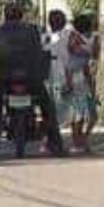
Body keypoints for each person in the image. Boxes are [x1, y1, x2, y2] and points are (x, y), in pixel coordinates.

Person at [0, 2, 65, 155]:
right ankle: (56, 141)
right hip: (31, 78)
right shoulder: (32, 30)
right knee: (47, 107)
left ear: (5, 16)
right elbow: (42, 50)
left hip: (4, 78)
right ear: (21, 16)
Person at [65, 14, 100, 152]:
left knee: (91, 114)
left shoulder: (91, 38)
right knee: (79, 113)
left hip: (86, 77)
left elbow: (94, 55)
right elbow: (76, 51)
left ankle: (82, 140)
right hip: (77, 76)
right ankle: (78, 142)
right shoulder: (74, 37)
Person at [44, 9, 71, 137]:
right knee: (59, 96)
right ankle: (57, 123)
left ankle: (55, 122)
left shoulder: (45, 37)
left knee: (55, 96)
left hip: (50, 68)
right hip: (58, 67)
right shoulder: (67, 36)